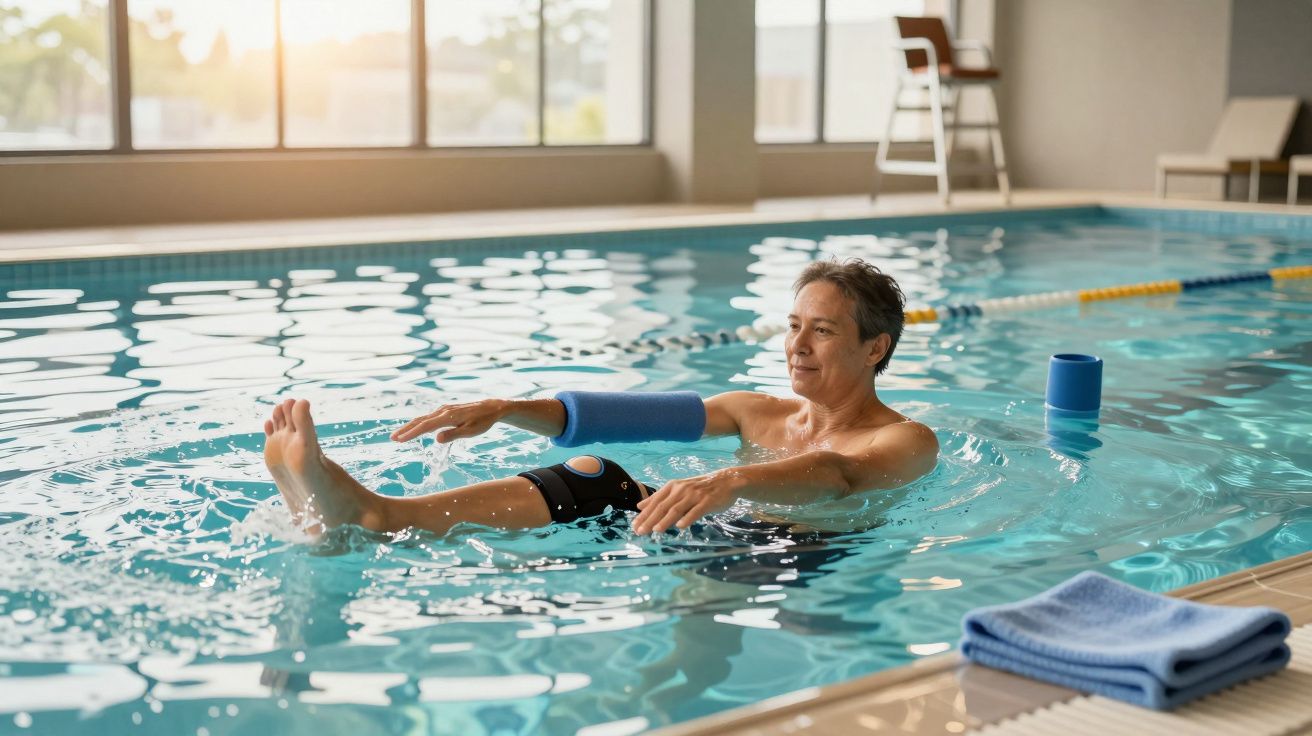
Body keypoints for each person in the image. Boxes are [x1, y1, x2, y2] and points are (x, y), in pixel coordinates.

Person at [262, 258, 939, 538]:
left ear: (874, 348)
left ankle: (372, 520)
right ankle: (379, 516)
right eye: (794, 326)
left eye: (821, 332)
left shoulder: (904, 439)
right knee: (597, 476)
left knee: (616, 499)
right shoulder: (756, 410)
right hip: (704, 531)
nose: (797, 345)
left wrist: (733, 479)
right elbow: (620, 414)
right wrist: (506, 407)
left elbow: (840, 476)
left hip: (808, 564)